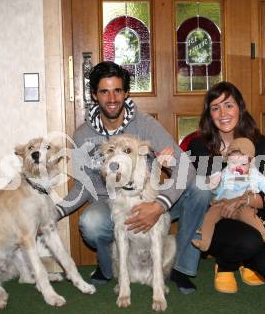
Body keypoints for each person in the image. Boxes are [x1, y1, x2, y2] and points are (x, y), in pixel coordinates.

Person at [54, 61, 211, 294]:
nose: (112, 98)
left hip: (149, 196)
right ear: (95, 95)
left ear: (126, 93)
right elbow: (82, 186)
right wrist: (54, 212)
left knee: (200, 188)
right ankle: (108, 268)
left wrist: (159, 205)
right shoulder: (83, 134)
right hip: (112, 203)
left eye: (117, 90)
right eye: (104, 91)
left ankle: (182, 268)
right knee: (91, 223)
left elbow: (185, 167)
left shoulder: (145, 124)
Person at [187, 81, 265, 293]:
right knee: (248, 240)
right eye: (215, 107)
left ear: (240, 108)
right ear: (209, 114)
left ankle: (246, 261)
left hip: (253, 213)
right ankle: (226, 265)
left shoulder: (259, 143)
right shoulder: (199, 146)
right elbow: (199, 192)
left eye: (229, 105)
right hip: (219, 218)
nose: (222, 113)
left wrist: (244, 200)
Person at [191, 137, 265, 252]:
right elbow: (217, 190)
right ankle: (204, 242)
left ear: (250, 162)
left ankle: (263, 233)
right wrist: (213, 184)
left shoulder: (254, 174)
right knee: (209, 216)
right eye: (233, 163)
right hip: (223, 204)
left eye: (243, 163)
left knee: (249, 215)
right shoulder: (225, 173)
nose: (238, 167)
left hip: (243, 205)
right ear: (227, 160)